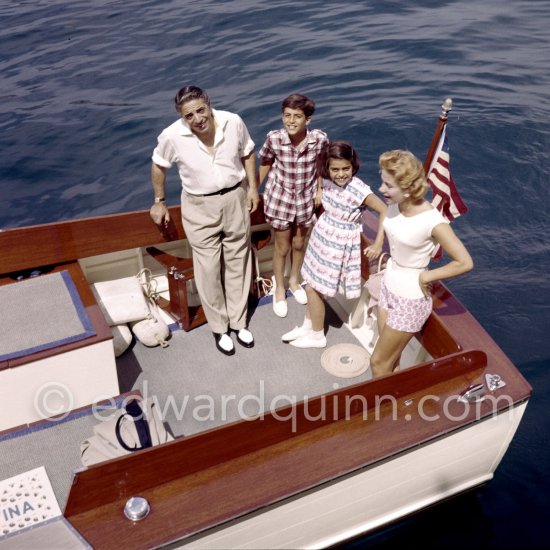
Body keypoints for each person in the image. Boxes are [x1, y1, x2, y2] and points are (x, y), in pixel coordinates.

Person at [149, 85, 259, 356]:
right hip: (199, 206)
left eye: (200, 110)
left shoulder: (233, 122)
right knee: (208, 269)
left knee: (238, 260)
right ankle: (220, 328)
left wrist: (253, 188)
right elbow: (158, 165)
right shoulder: (171, 136)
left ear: (209, 105)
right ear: (181, 116)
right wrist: (159, 201)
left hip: (235, 197)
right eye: (189, 115)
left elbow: (247, 153)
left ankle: (239, 321)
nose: (197, 118)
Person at [370, 149, 473, 377]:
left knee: (377, 362)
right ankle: (392, 403)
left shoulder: (432, 221)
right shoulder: (395, 204)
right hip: (388, 286)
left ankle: (381, 410)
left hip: (410, 300)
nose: (381, 189)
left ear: (407, 189)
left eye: (388, 185)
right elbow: (386, 218)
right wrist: (378, 242)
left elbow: (464, 262)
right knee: (390, 360)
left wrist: (427, 276)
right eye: (382, 182)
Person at [282, 141, 387, 348]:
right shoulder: (327, 177)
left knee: (315, 289)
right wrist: (320, 190)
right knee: (310, 281)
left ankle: (317, 335)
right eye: (335, 169)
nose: (340, 174)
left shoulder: (358, 189)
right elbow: (320, 174)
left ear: (353, 166)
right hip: (322, 237)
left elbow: (385, 210)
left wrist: (378, 242)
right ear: (328, 168)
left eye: (346, 168)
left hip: (338, 244)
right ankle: (308, 324)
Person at [258, 93, 328, 318]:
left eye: (297, 116)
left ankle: (294, 282)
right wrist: (253, 189)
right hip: (281, 198)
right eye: (287, 115)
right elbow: (266, 161)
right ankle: (279, 289)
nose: (291, 121)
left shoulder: (319, 140)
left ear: (308, 120)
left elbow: (321, 166)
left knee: (299, 244)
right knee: (282, 247)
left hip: (306, 199)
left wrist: (319, 190)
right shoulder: (274, 138)